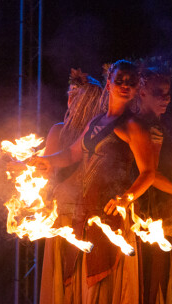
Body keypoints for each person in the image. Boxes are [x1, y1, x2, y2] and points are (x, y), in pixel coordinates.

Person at [32, 59, 156, 304]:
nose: (124, 85)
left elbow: (148, 173)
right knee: (79, 285)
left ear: (136, 89)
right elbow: (72, 154)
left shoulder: (134, 126)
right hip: (84, 213)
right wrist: (46, 161)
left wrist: (127, 197)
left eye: (130, 83)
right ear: (109, 83)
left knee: (104, 287)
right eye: (119, 80)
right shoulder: (95, 122)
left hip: (112, 212)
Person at [40, 69, 103, 304]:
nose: (71, 101)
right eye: (70, 95)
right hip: (64, 217)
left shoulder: (101, 135)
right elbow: (47, 176)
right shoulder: (58, 130)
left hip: (93, 217)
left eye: (78, 96)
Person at [136, 60, 172, 304]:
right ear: (142, 92)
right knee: (154, 290)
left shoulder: (160, 126)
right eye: (158, 93)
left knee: (169, 290)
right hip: (154, 219)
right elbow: (148, 174)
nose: (165, 98)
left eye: (168, 93)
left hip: (171, 220)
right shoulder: (139, 127)